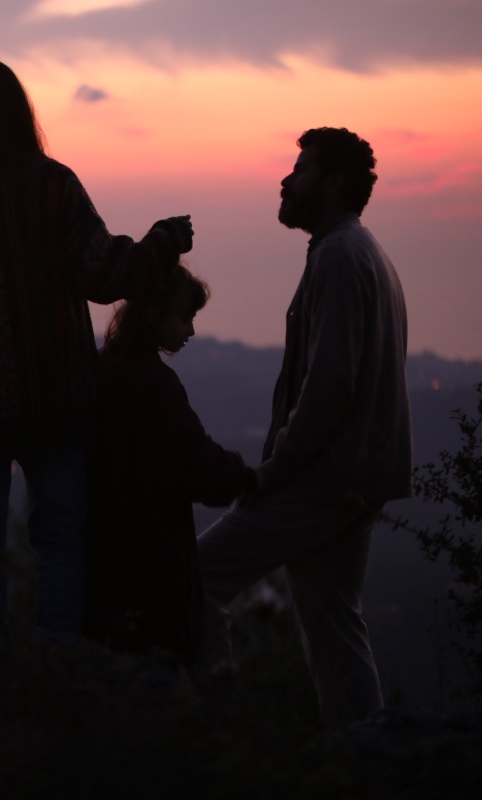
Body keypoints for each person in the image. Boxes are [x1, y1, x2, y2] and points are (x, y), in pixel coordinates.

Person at [0, 57, 194, 646]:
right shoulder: (52, 186)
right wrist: (163, 240)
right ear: (21, 114)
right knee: (60, 540)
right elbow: (104, 273)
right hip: (57, 399)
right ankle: (59, 666)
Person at [196, 128, 412, 730]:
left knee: (196, 581)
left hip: (321, 482)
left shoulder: (342, 257)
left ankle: (214, 730)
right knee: (335, 626)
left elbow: (329, 388)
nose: (286, 181)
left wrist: (272, 471)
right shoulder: (360, 253)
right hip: (353, 483)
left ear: (334, 181)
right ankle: (368, 757)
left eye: (300, 169)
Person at [85, 264, 255, 664]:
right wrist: (247, 476)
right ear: (152, 316)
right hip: (151, 559)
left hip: (101, 557)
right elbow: (193, 462)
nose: (190, 332)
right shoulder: (153, 383)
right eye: (185, 318)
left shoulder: (100, 368)